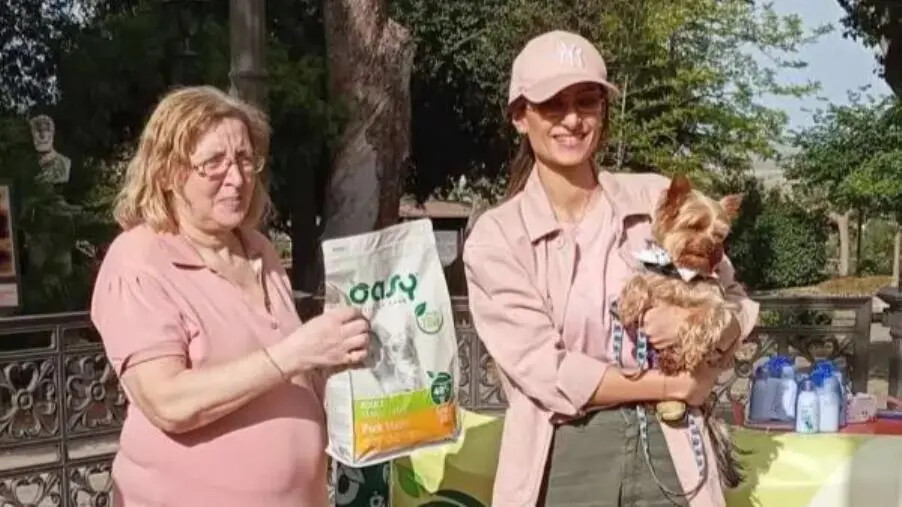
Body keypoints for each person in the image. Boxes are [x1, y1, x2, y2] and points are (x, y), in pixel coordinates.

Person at [463, 31, 759, 507]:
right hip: (566, 453)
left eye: (587, 102)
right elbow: (545, 370)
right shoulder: (498, 238)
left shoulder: (657, 199)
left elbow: (740, 305)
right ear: (521, 116)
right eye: (553, 106)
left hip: (674, 446)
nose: (573, 120)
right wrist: (673, 384)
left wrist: (700, 328)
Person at [90, 86, 370, 507]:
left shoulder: (260, 249)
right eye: (214, 163)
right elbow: (168, 401)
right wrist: (297, 352)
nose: (237, 178)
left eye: (244, 160)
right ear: (167, 172)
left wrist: (336, 361)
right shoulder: (138, 259)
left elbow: (291, 375)